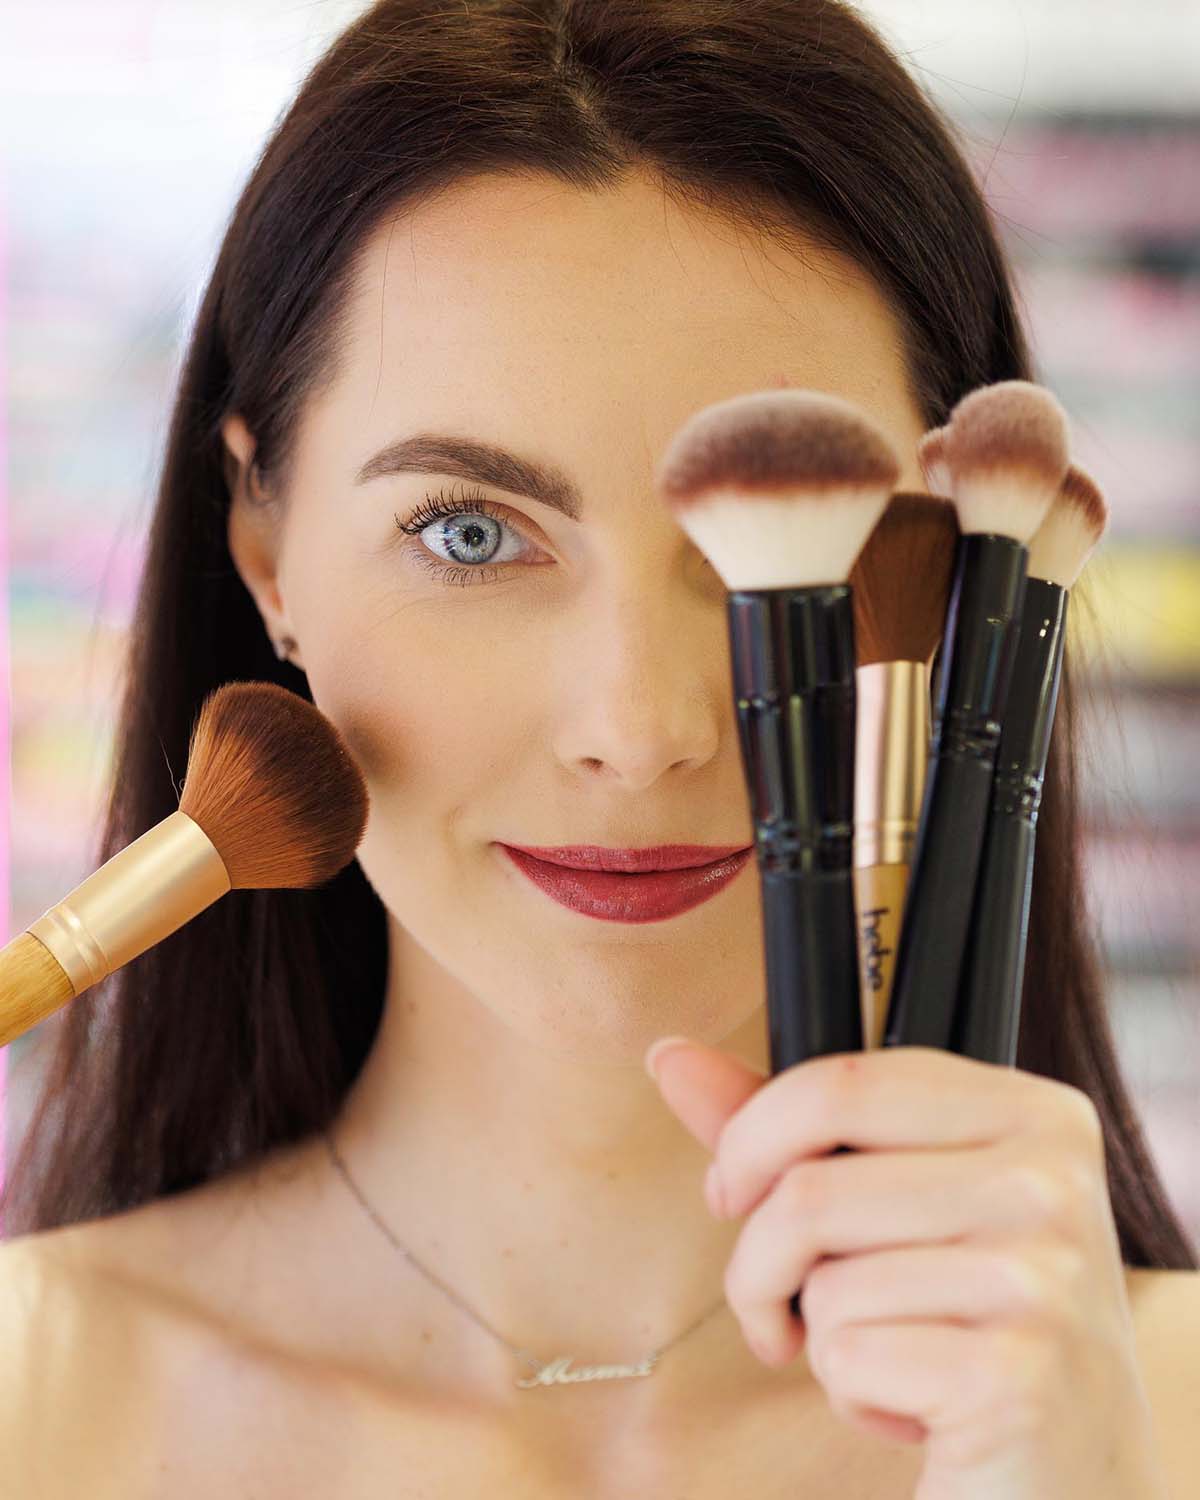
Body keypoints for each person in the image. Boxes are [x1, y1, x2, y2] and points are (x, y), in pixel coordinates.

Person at [2, 2, 1196, 1494]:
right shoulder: (33, 1396)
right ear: (265, 549)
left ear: (970, 561)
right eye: (470, 532)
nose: (641, 731)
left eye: (781, 564)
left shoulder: (1154, 1420)